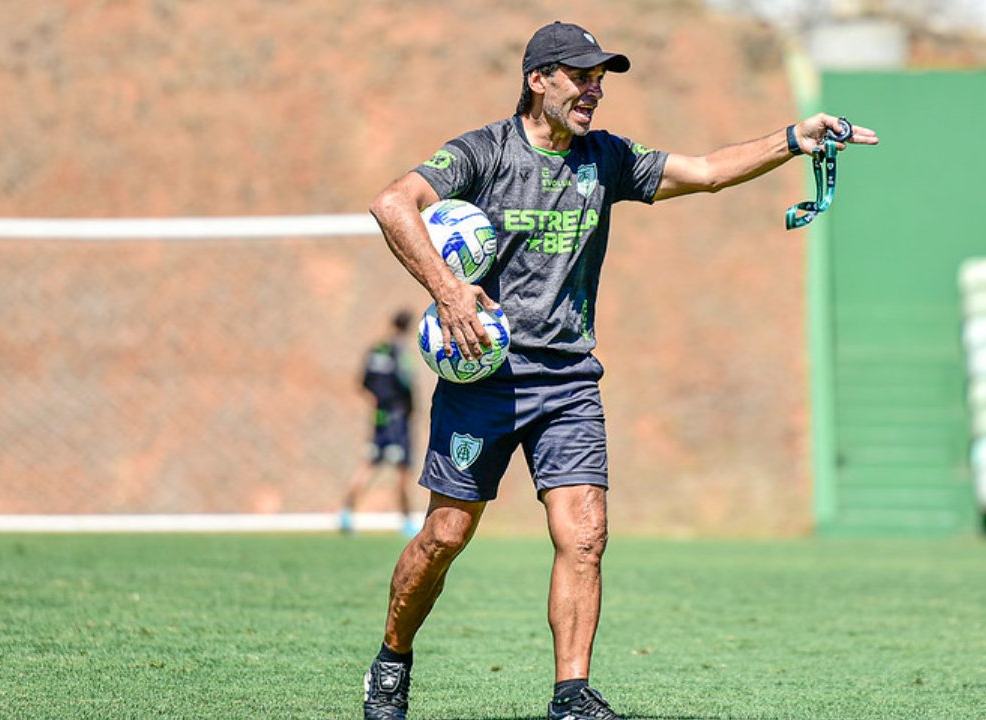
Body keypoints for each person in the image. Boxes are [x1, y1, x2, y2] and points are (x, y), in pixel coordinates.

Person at [362, 20, 879, 720]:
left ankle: (571, 696)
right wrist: (450, 292)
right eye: (580, 76)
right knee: (445, 537)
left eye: (600, 77)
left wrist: (794, 138)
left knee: (585, 534)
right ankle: (392, 660)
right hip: (484, 382)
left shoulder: (605, 158)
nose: (594, 89)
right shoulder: (481, 152)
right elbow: (394, 203)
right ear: (538, 79)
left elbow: (706, 171)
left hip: (569, 381)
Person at [339, 309, 419, 538]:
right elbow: (407, 382)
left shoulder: (376, 349)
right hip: (398, 418)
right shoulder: (401, 351)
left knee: (369, 465)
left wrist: (377, 403)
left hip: (380, 416)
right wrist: (412, 410)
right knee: (402, 470)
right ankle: (406, 522)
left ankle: (346, 513)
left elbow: (363, 383)